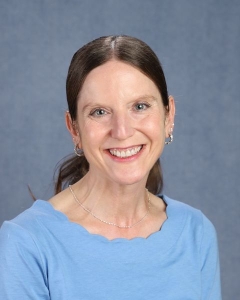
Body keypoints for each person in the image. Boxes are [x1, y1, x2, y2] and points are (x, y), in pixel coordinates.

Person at [0, 35, 221, 299]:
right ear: (74, 129)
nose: (122, 131)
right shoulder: (26, 242)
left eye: (140, 106)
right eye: (100, 112)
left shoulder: (196, 232)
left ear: (168, 116)